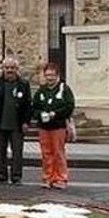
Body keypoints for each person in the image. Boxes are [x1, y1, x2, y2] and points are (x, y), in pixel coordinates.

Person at [32, 61, 75, 190]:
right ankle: (47, 177)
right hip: (44, 127)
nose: (49, 78)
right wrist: (40, 115)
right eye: (47, 75)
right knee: (46, 153)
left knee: (58, 152)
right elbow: (34, 108)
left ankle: (60, 178)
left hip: (58, 126)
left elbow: (69, 106)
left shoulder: (64, 89)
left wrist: (55, 114)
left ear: (57, 75)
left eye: (52, 75)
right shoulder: (41, 91)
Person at [0, 56, 31, 185]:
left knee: (17, 152)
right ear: (3, 68)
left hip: (17, 125)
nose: (9, 70)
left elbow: (28, 105)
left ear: (16, 69)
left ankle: (16, 176)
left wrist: (26, 122)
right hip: (0, 123)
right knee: (0, 152)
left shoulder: (23, 84)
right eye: (7, 68)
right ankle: (1, 175)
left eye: (12, 67)